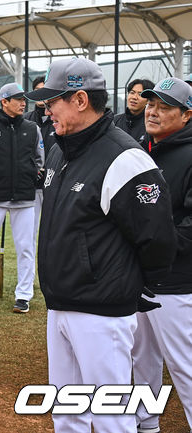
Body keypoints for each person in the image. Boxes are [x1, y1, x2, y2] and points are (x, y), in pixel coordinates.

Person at [25, 57, 177, 433]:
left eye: (51, 100)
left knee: (112, 416)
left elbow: (156, 238)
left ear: (80, 100)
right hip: (60, 303)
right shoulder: (61, 147)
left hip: (103, 311)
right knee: (67, 413)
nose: (45, 108)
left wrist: (129, 287)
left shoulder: (124, 157)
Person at [132, 77, 192, 433]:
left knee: (184, 364)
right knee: (142, 357)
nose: (153, 112)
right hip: (139, 277)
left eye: (165, 107)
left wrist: (155, 248)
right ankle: (146, 423)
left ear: (186, 115)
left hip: (176, 281)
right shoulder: (139, 149)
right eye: (151, 104)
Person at [0, 82, 44, 313]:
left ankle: (23, 295)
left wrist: (33, 174)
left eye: (24, 99)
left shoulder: (32, 128)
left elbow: (39, 158)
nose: (23, 103)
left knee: (25, 247)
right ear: (5, 102)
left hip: (25, 196)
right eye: (18, 99)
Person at [25, 76, 56, 239]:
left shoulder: (57, 117)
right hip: (32, 185)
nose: (41, 95)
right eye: (37, 90)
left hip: (53, 182)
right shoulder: (26, 120)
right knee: (30, 231)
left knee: (53, 229)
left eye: (43, 90)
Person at [114, 78, 155, 145]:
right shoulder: (115, 121)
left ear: (148, 100)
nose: (134, 97)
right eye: (132, 93)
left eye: (140, 94)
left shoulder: (151, 124)